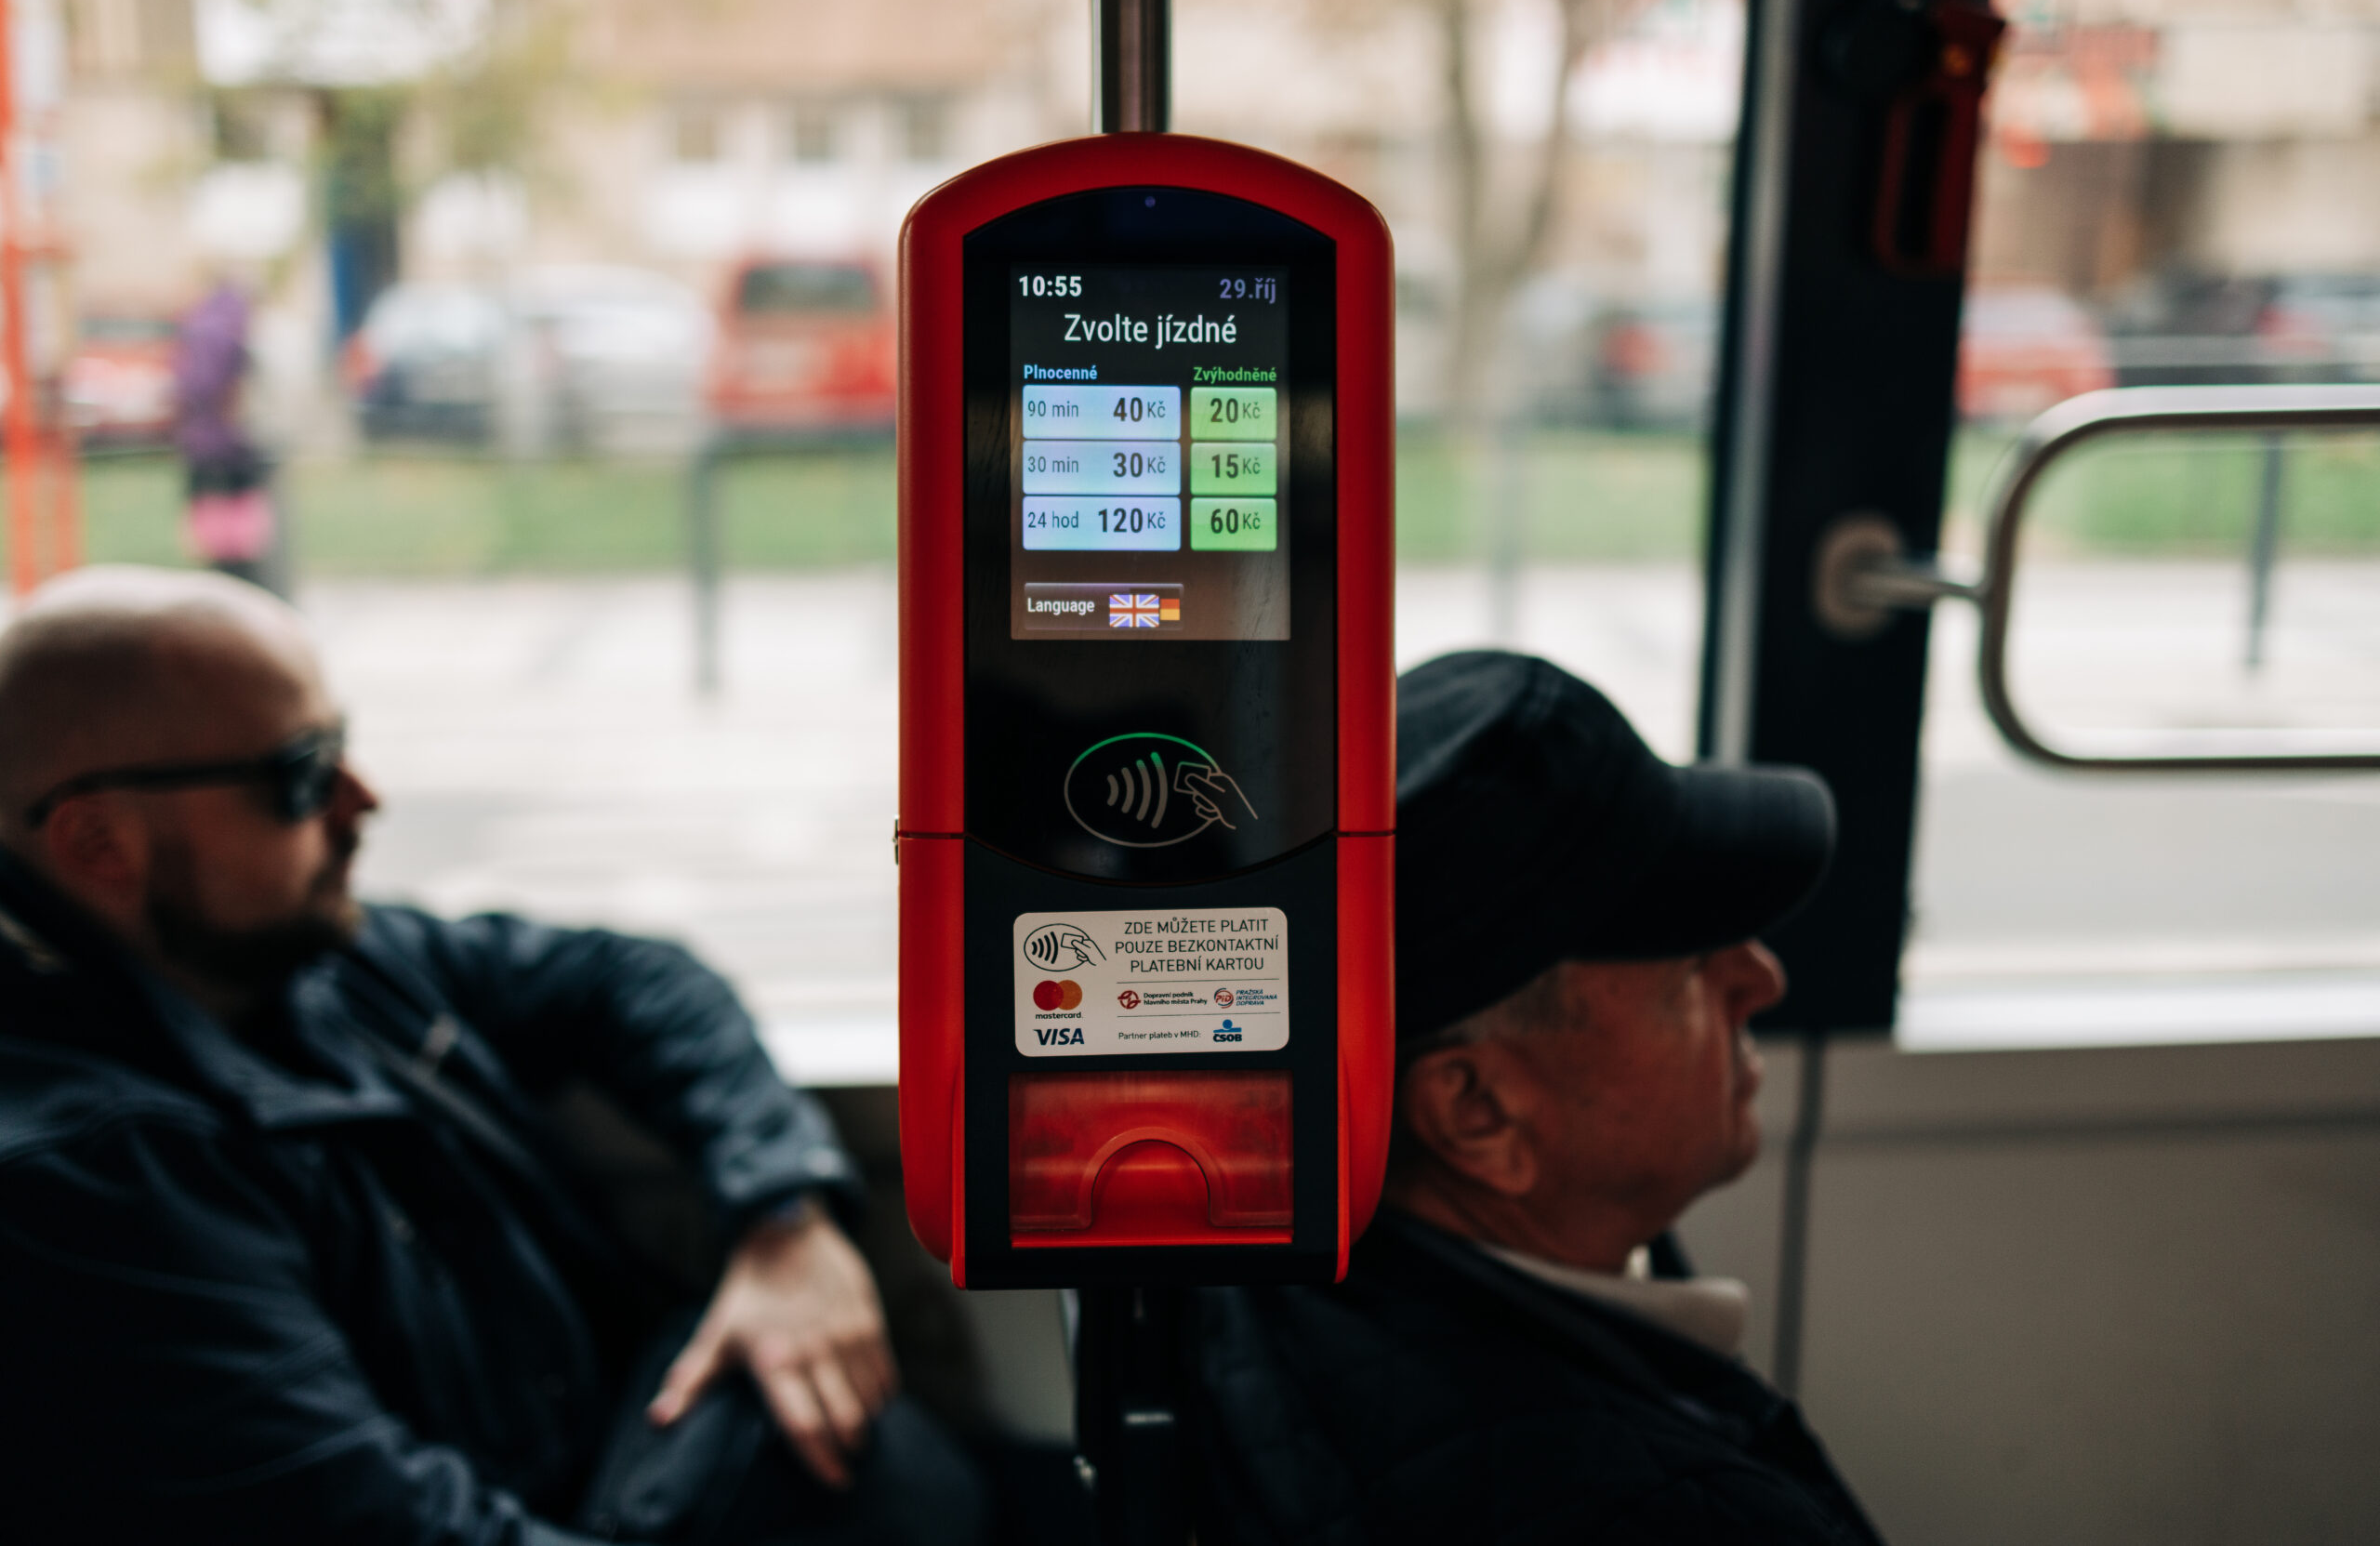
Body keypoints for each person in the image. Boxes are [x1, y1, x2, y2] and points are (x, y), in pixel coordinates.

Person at [0, 566, 986, 1544]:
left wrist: (782, 1216)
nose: (364, 798)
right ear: (99, 845)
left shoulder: (299, 962)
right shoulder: (94, 1177)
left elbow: (627, 978)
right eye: (302, 776)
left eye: (343, 747)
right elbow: (389, 1527)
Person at [1188, 650, 1884, 1545]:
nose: (1763, 977)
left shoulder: (1259, 1261)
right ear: (1479, 1113)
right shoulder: (1677, 1520)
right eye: (1686, 972)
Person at [173, 279, 279, 588]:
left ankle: (220, 588)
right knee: (243, 548)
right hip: (238, 451)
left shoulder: (195, 331)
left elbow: (186, 388)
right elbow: (237, 393)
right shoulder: (235, 335)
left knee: (213, 544)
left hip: (201, 449)